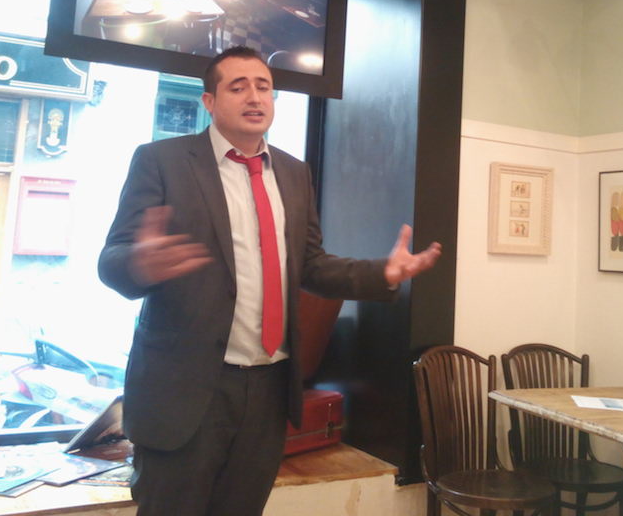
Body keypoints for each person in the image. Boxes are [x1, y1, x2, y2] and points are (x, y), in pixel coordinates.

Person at [98, 45, 440, 516]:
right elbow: (112, 259)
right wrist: (140, 263)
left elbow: (311, 265)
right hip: (186, 389)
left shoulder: (294, 173)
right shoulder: (163, 160)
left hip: (269, 390)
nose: (254, 97)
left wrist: (381, 272)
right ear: (209, 101)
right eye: (238, 87)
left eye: (264, 87)